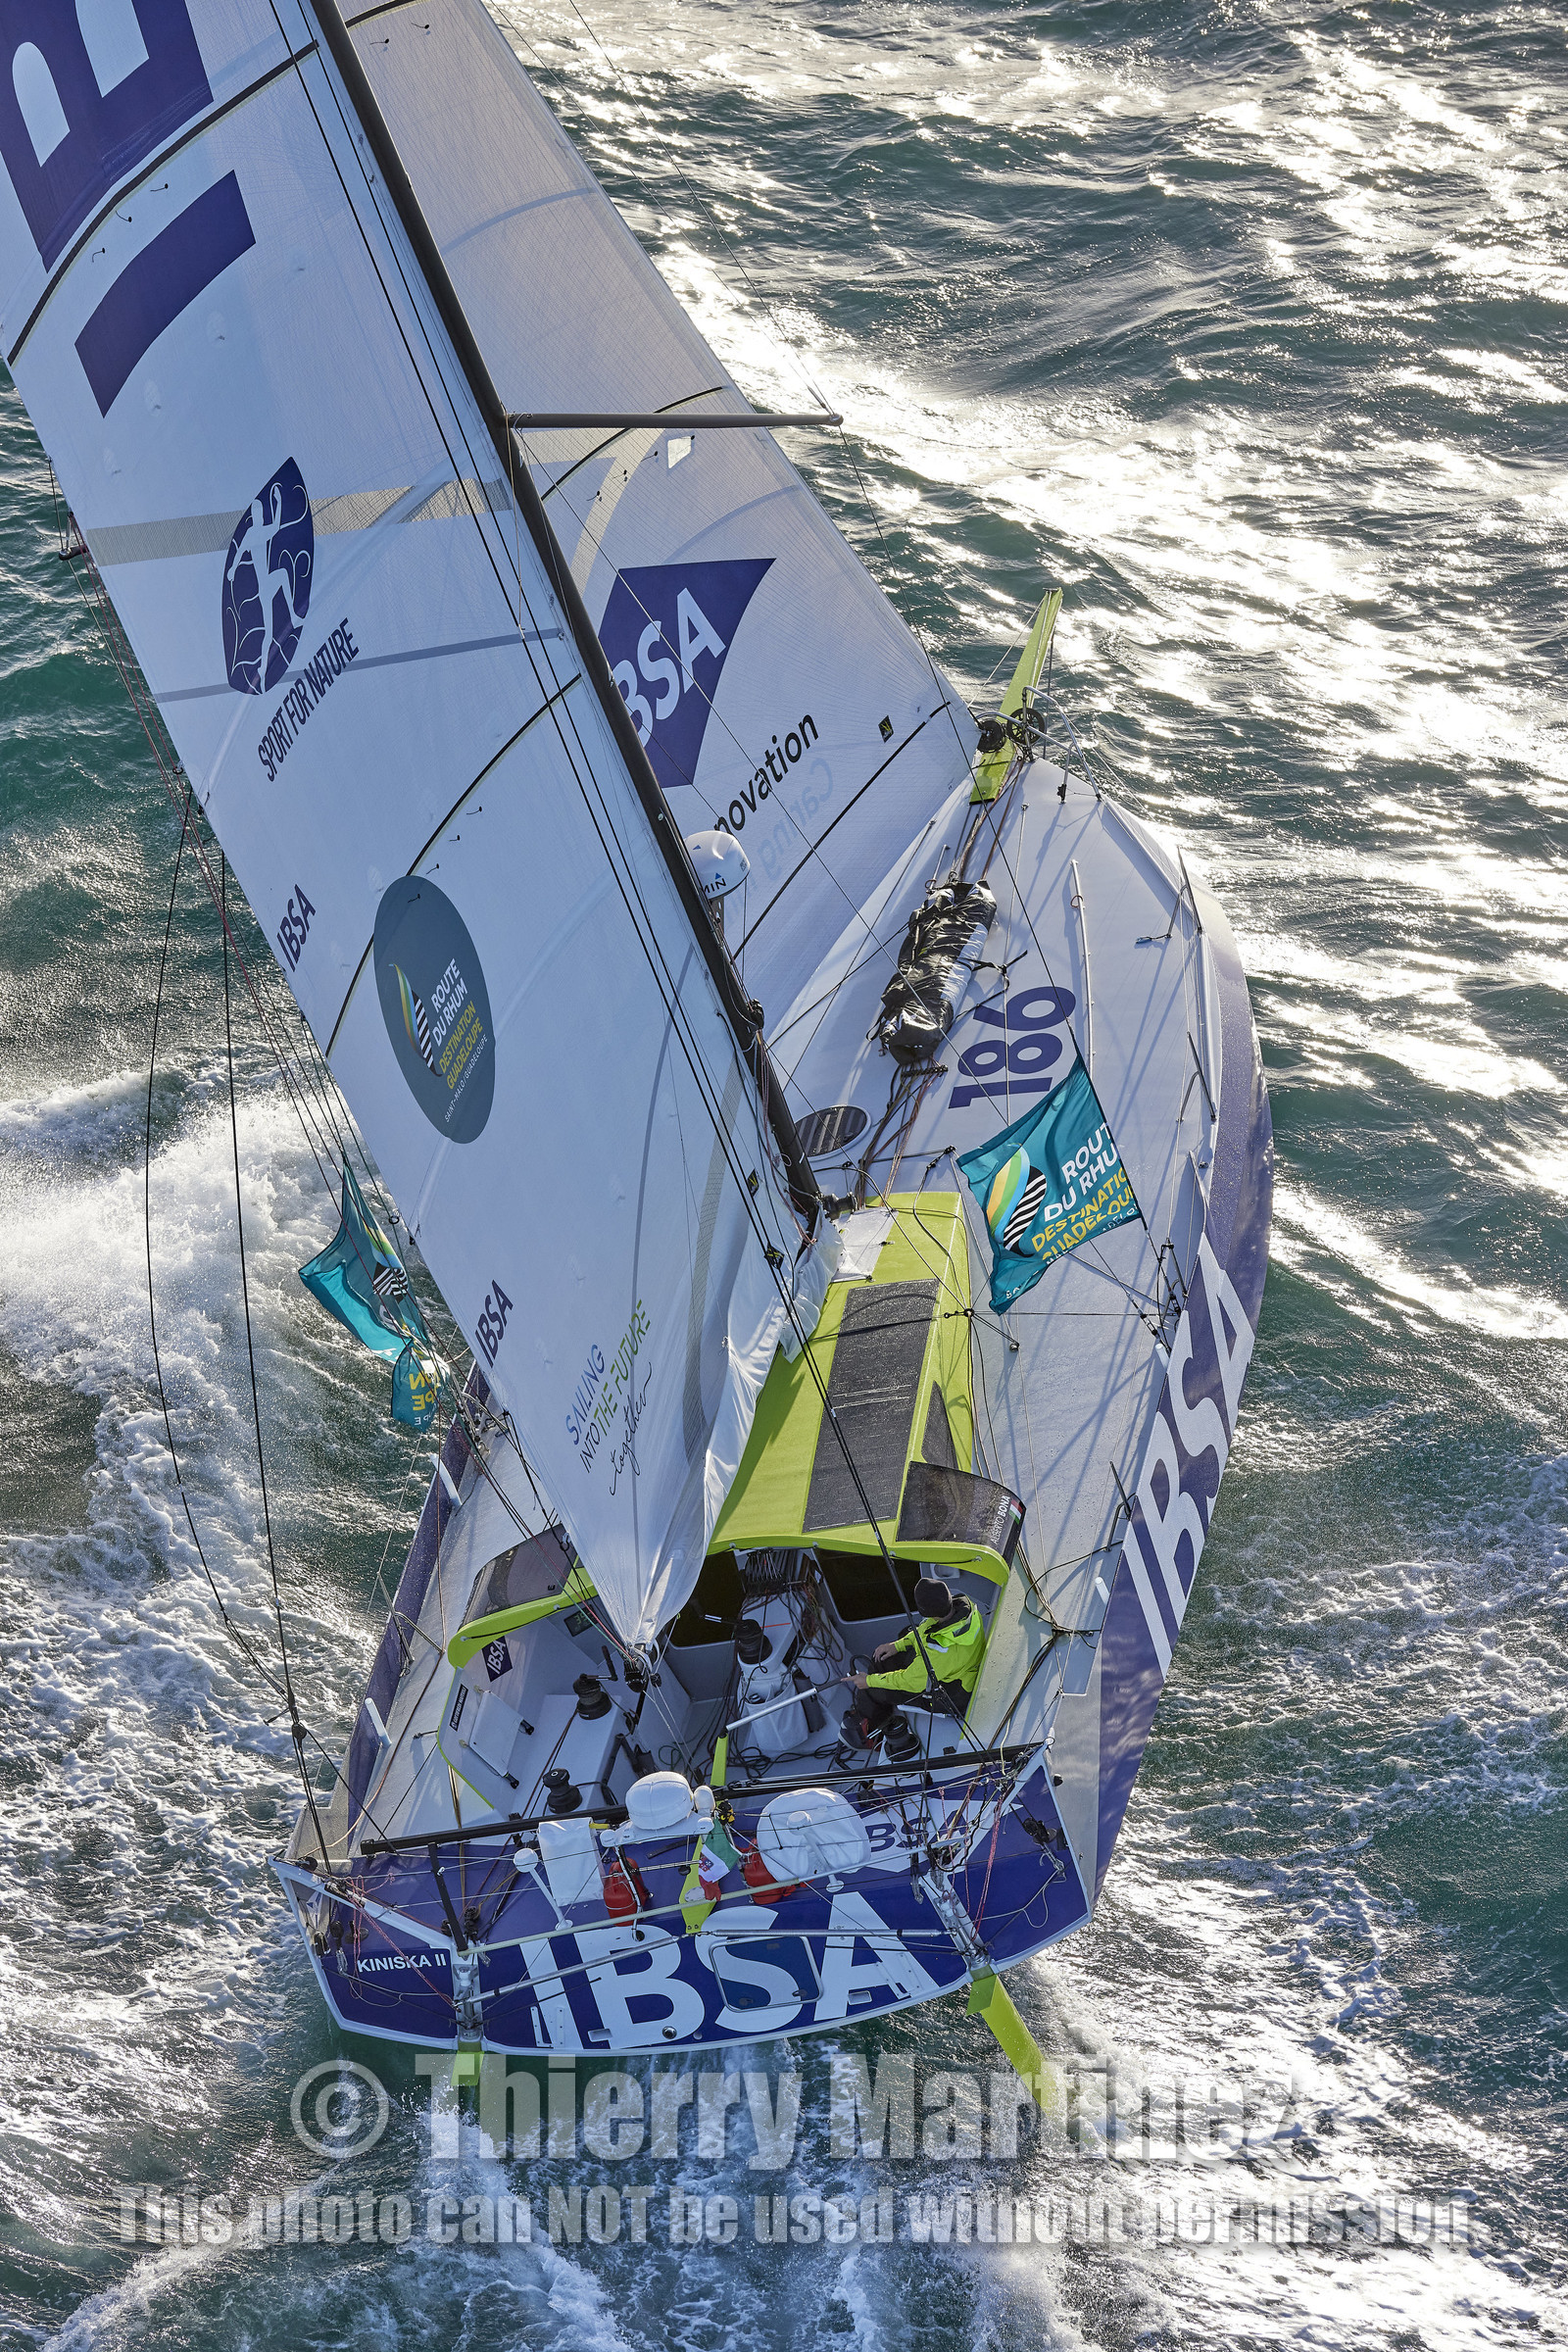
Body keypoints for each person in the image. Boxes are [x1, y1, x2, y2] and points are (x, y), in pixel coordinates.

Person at [839, 1577, 985, 1754]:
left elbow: (909, 1681)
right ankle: (876, 1711)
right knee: (894, 1648)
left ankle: (868, 1734)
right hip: (955, 1670)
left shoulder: (940, 1652)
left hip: (951, 1695)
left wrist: (869, 1681)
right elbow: (924, 1629)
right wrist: (896, 1645)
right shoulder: (962, 1608)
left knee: (876, 1691)